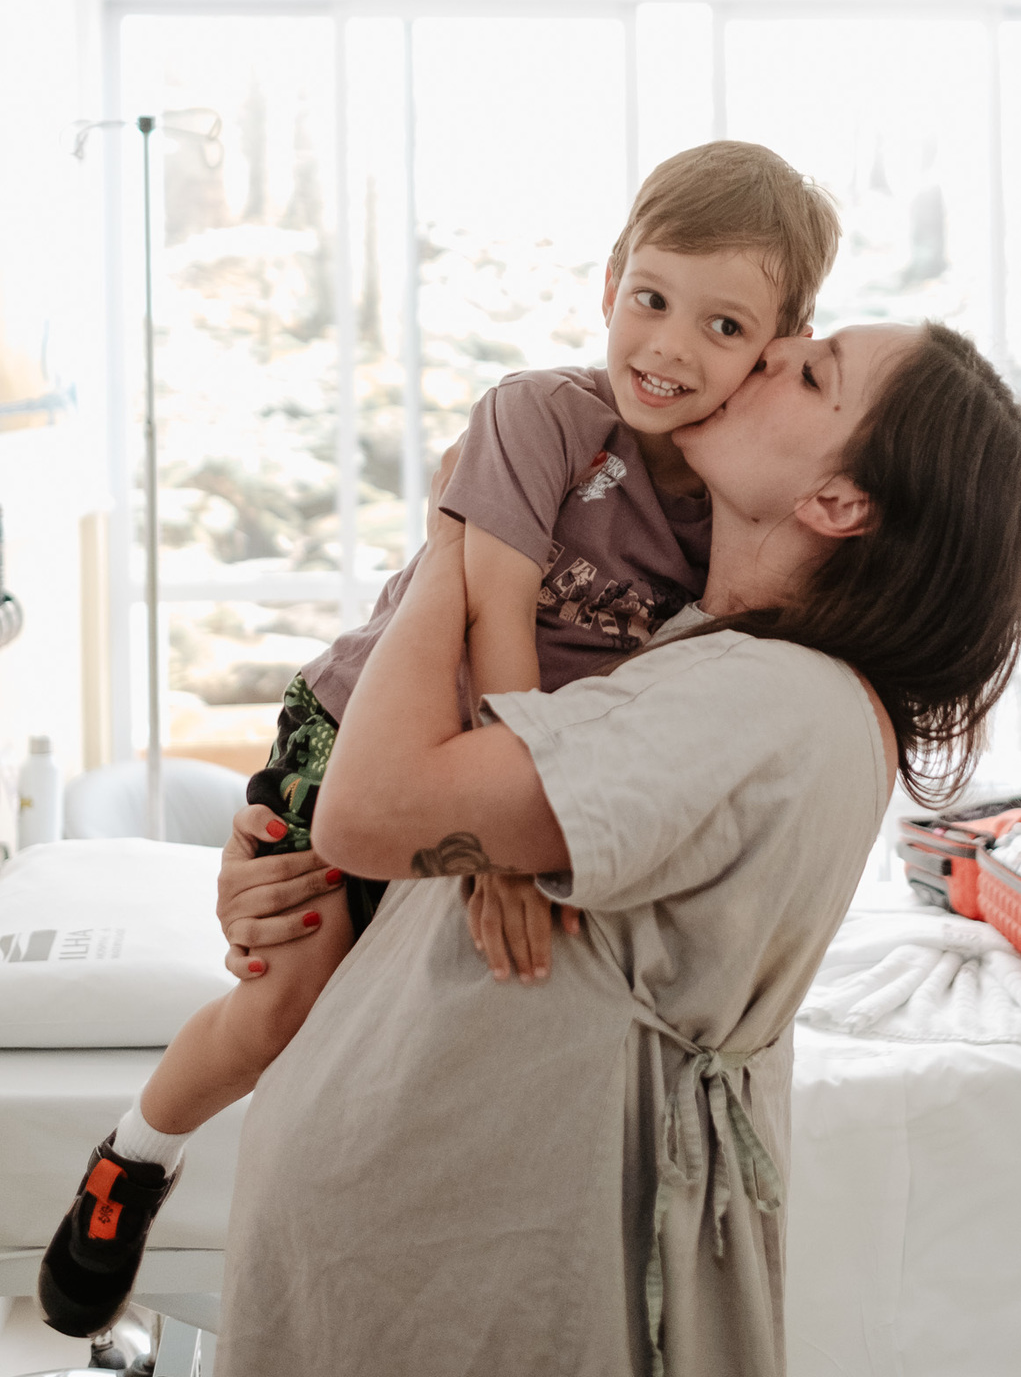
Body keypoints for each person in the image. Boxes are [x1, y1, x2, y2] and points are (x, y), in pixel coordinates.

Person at [39, 141, 841, 1340]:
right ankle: (133, 1159)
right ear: (612, 276)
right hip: (363, 720)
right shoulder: (543, 417)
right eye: (652, 299)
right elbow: (489, 607)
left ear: (779, 347)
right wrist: (503, 851)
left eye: (723, 328)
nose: (669, 347)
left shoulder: (727, 512)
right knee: (282, 1006)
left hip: (482, 770)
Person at [210, 319, 1021, 1377]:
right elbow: (393, 829)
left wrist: (469, 527)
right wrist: (297, 883)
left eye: (812, 370)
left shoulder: (770, 702)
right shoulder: (681, 649)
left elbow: (377, 805)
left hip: (471, 1291)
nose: (771, 353)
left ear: (839, 502)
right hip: (390, 1260)